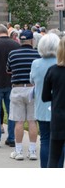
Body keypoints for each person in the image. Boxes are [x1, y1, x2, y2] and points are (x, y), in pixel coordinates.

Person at [30, 33, 64, 167]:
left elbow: (31, 80)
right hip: (59, 108)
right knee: (60, 144)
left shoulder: (36, 64)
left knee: (44, 140)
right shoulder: (58, 65)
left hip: (42, 107)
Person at [7, 30, 40, 161]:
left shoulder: (13, 54)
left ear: (20, 40)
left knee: (18, 121)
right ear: (32, 41)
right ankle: (32, 151)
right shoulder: (37, 54)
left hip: (17, 88)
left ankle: (19, 151)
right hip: (32, 89)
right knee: (32, 121)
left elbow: (8, 70)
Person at [42, 37, 65, 168]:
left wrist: (57, 96)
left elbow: (45, 96)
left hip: (58, 117)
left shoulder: (53, 70)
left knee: (54, 157)